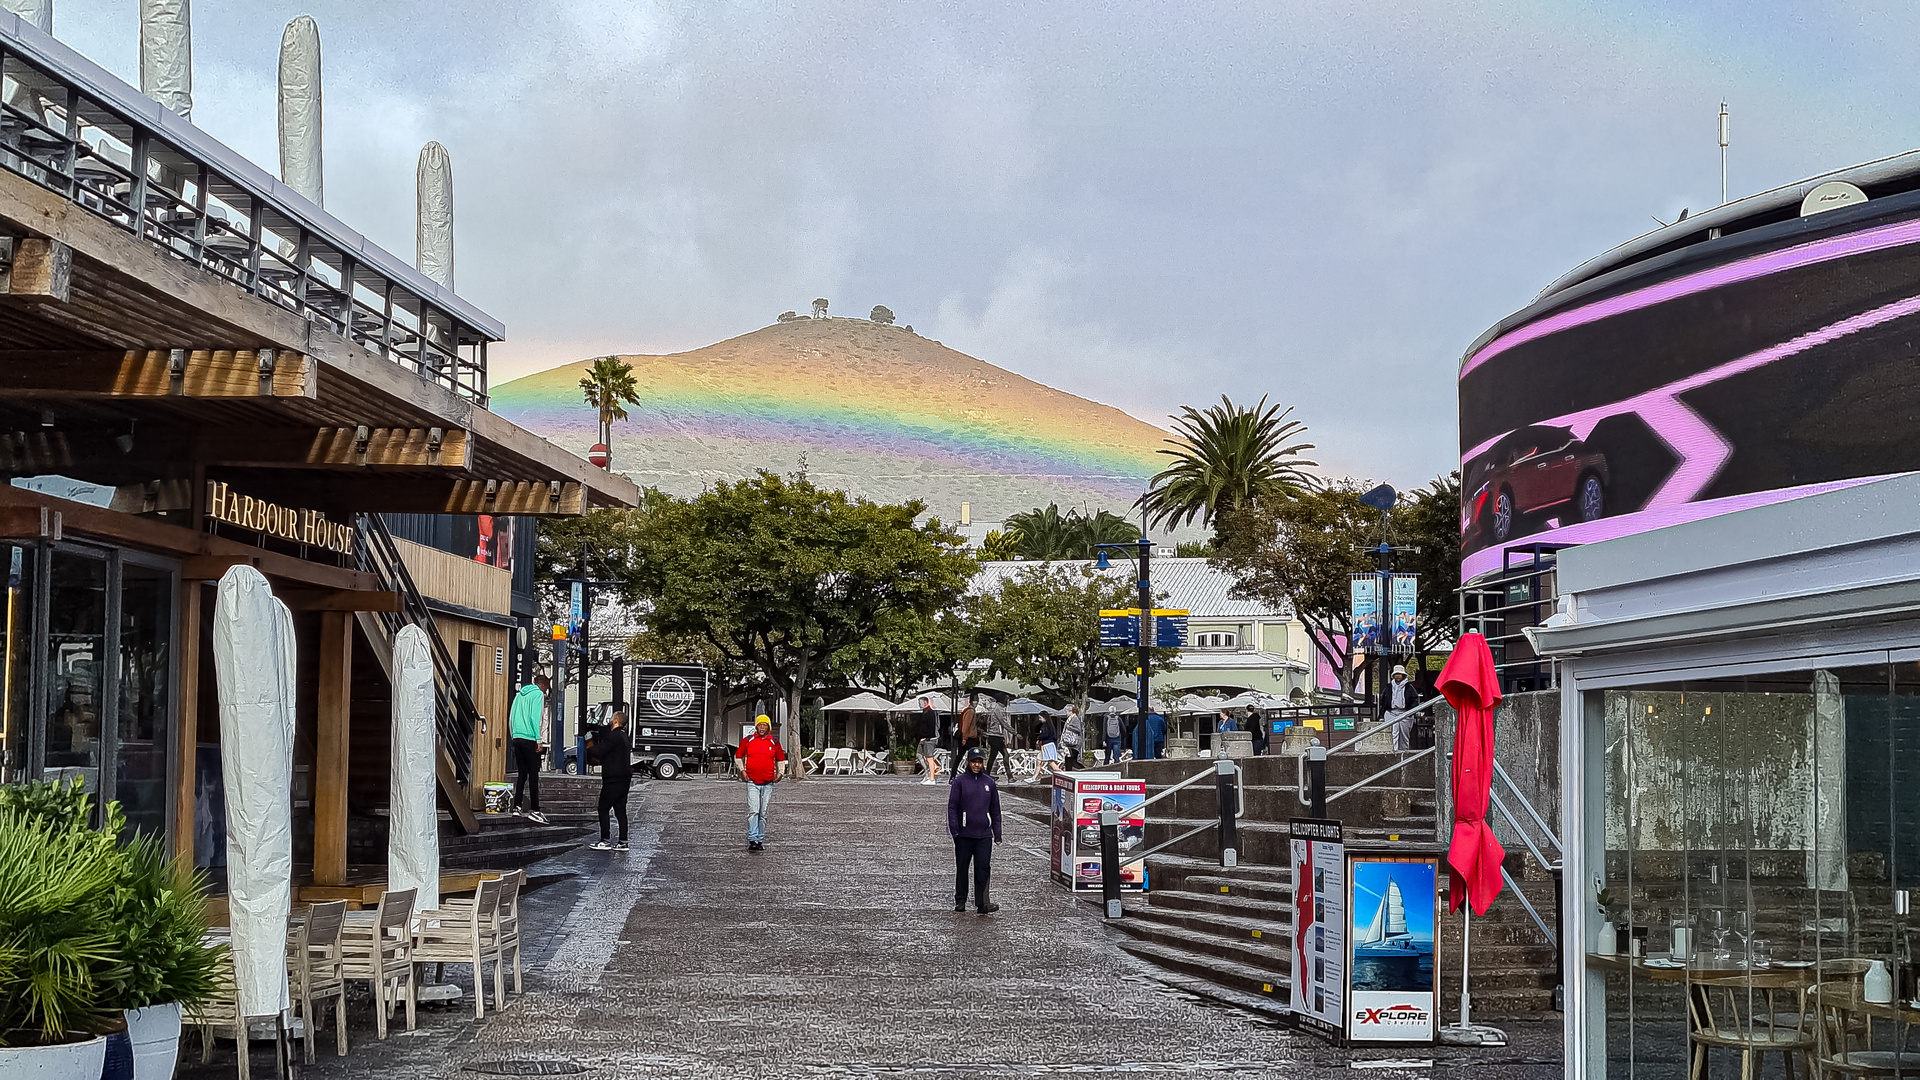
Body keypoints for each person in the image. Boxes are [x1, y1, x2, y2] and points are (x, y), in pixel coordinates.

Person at [947, 747, 1002, 913]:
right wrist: (955, 830)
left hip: (984, 834)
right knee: (962, 867)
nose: (976, 765)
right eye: (973, 761)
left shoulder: (989, 782)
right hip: (963, 834)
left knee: (983, 867)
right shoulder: (959, 782)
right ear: (968, 762)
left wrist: (997, 832)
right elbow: (952, 807)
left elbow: (995, 810)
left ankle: (983, 902)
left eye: (979, 762)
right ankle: (960, 901)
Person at [734, 714, 787, 851]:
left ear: (768, 727)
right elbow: (738, 756)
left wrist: (780, 773)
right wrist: (742, 770)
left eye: (765, 725)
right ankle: (752, 839)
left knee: (763, 813)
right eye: (760, 725)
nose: (762, 727)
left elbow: (781, 759)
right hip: (752, 780)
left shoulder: (773, 742)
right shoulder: (748, 740)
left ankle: (760, 839)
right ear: (756, 726)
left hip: (768, 781)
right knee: (753, 810)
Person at [508, 674, 551, 824]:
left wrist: (513, 735)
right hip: (530, 738)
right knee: (533, 774)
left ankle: (516, 807)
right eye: (546, 687)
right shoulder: (538, 695)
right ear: (543, 685)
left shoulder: (519, 695)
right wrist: (538, 739)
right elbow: (535, 717)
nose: (546, 691)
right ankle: (535, 810)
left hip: (517, 737)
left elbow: (511, 716)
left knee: (522, 774)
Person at [589, 710, 633, 851]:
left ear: (616, 721)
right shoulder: (624, 736)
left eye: (612, 717)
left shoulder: (614, 736)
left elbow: (599, 750)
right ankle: (623, 842)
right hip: (624, 779)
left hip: (613, 779)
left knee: (603, 808)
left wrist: (590, 745)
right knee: (620, 811)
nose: (610, 719)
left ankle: (605, 840)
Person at [1386, 665, 1422, 751]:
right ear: (1393, 675)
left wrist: (1410, 713)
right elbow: (1384, 700)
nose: (1398, 676)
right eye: (1396, 674)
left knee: (1404, 736)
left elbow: (1415, 700)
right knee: (1392, 734)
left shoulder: (1409, 687)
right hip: (1391, 713)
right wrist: (1381, 715)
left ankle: (1404, 753)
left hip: (1405, 713)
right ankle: (1394, 752)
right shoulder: (1389, 687)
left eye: (1400, 674)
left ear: (1403, 675)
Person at [981, 698, 1012, 779]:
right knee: (1005, 754)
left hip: (996, 736)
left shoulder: (996, 709)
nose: (1007, 702)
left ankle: (986, 775)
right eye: (1006, 700)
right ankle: (1010, 777)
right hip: (996, 736)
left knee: (993, 756)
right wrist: (1015, 733)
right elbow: (1003, 723)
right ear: (1002, 701)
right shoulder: (998, 709)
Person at [951, 696, 979, 777]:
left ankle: (954, 775)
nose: (976, 703)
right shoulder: (970, 712)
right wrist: (964, 738)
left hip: (966, 737)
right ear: (971, 702)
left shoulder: (968, 711)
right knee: (973, 757)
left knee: (962, 757)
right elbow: (966, 726)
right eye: (975, 701)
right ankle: (970, 775)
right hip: (969, 738)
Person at [1029, 717, 1060, 783]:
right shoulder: (1047, 726)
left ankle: (1061, 774)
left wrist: (1039, 737)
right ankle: (1034, 777)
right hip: (1045, 746)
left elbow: (1045, 735)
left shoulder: (1047, 727)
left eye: (1040, 717)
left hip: (1047, 746)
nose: (1039, 719)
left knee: (1051, 762)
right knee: (1039, 761)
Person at [1060, 705, 1085, 771]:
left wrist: (1070, 727)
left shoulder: (1075, 718)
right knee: (1068, 760)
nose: (1066, 713)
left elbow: (1078, 730)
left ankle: (1085, 770)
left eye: (1066, 711)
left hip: (1074, 743)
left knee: (1073, 761)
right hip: (1069, 742)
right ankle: (1068, 772)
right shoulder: (1070, 719)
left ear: (1070, 711)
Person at [1102, 701, 1125, 766]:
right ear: (1115, 711)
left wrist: (1103, 740)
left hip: (1109, 738)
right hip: (1117, 738)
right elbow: (1124, 730)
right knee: (1116, 756)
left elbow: (1104, 729)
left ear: (1109, 711)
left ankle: (1105, 768)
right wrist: (1122, 737)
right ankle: (1117, 767)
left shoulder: (1106, 718)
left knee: (1107, 755)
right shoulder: (1118, 718)